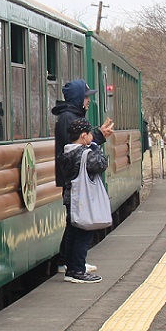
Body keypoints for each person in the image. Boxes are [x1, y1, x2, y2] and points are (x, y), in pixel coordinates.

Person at [52, 79, 114, 275]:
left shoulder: (69, 116)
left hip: (74, 181)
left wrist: (97, 135)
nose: (88, 101)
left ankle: (71, 262)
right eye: (86, 97)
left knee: (74, 223)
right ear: (78, 98)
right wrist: (98, 137)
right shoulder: (68, 118)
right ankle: (73, 264)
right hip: (76, 182)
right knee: (78, 225)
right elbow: (81, 148)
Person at [58, 117, 109, 283]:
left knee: (73, 234)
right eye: (89, 134)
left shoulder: (67, 152)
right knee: (83, 235)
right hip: (83, 201)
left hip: (71, 198)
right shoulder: (84, 154)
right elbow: (101, 164)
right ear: (83, 136)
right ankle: (78, 270)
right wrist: (95, 146)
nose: (91, 137)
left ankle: (71, 268)